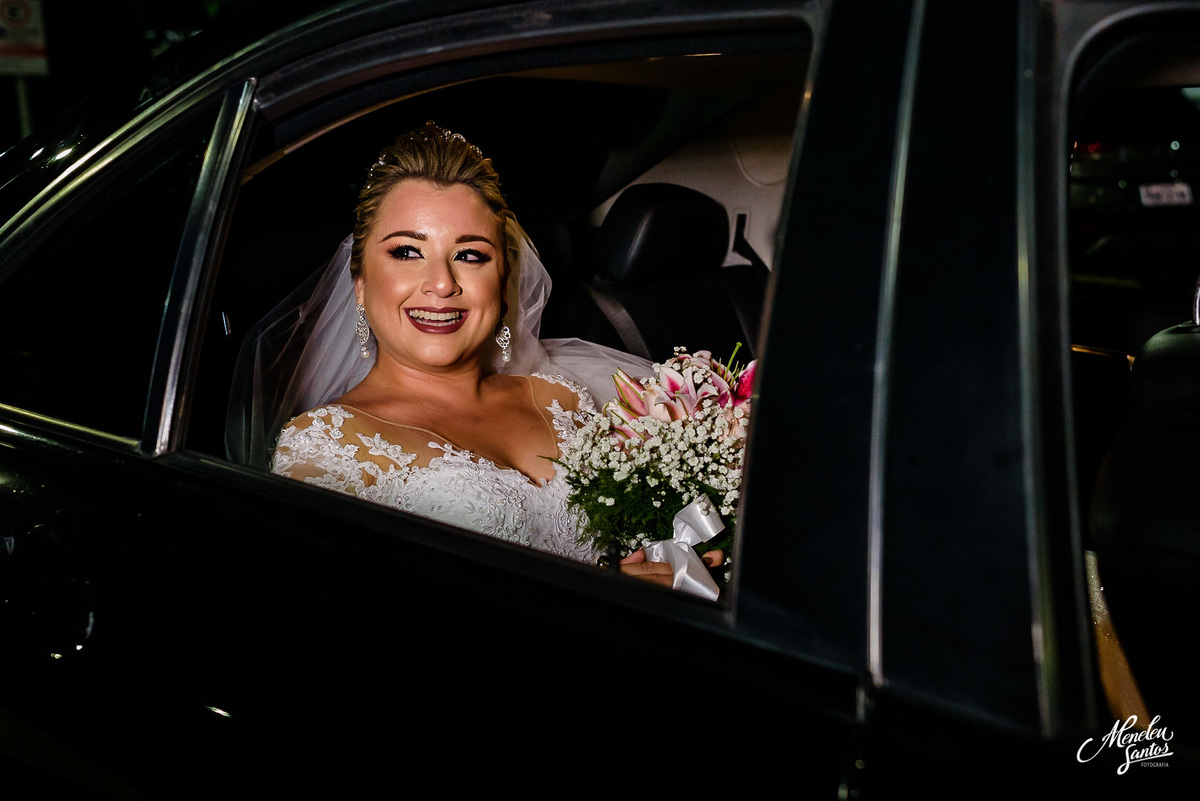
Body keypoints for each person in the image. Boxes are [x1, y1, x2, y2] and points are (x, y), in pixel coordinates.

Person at [248, 121, 715, 585]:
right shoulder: (324, 447)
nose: (442, 283)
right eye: (407, 252)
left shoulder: (565, 399)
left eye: (470, 255)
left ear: (503, 285)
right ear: (362, 286)